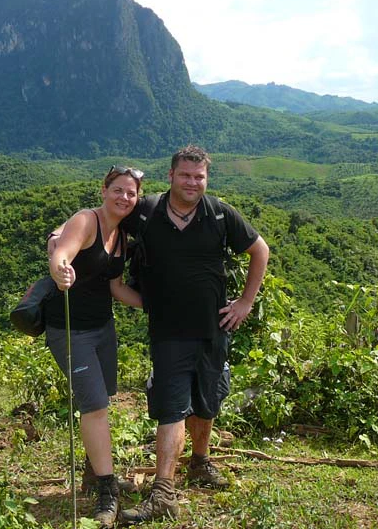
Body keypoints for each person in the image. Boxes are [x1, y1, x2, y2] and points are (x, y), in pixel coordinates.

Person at [115, 145, 270, 524]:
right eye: (185, 175)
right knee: (172, 407)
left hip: (214, 327)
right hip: (168, 331)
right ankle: (163, 492)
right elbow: (103, 223)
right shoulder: (145, 212)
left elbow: (260, 250)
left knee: (207, 400)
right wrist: (61, 239)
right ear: (170, 175)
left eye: (199, 176)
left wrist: (245, 302)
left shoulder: (219, 213)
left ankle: (200, 462)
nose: (192, 182)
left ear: (206, 178)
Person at [46, 165, 144, 528]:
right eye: (118, 190)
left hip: (103, 328)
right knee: (95, 406)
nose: (124, 197)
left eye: (131, 193)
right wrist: (60, 270)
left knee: (104, 398)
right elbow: (62, 253)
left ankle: (93, 473)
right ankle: (107, 490)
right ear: (103, 190)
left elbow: (116, 287)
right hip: (70, 330)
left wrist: (155, 306)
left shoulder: (120, 237)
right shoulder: (86, 221)